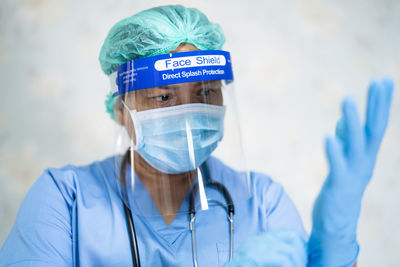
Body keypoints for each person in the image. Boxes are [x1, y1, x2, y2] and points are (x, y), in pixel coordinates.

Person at [0, 5, 394, 267]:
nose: (187, 112)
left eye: (206, 92)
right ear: (121, 110)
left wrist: (334, 248)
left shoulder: (262, 202)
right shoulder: (64, 201)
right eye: (163, 96)